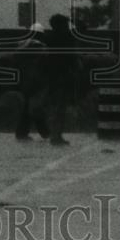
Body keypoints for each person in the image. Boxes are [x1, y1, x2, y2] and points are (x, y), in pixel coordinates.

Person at [42, 13, 79, 146]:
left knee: (53, 106)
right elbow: (72, 57)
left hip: (51, 76)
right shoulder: (67, 38)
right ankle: (56, 136)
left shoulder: (48, 38)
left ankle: (54, 134)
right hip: (63, 75)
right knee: (60, 107)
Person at [15, 23, 50, 141]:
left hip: (26, 81)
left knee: (29, 107)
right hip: (37, 81)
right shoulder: (40, 48)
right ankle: (45, 132)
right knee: (34, 108)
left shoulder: (22, 46)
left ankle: (23, 133)